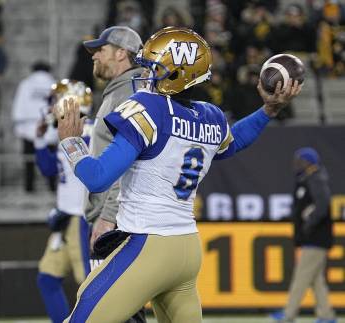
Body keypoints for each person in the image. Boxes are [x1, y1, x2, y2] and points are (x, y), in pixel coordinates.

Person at [56, 26, 302, 323]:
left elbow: (97, 177)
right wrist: (268, 110)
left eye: (154, 67)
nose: (146, 74)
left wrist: (71, 143)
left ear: (175, 73)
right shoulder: (209, 115)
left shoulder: (148, 107)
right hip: (187, 248)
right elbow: (232, 142)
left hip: (149, 245)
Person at [81, 24, 147, 323]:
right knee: (121, 309)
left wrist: (108, 215)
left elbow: (130, 160)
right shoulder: (122, 91)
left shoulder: (129, 95)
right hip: (118, 214)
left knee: (111, 309)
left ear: (122, 53)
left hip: (118, 218)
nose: (95, 56)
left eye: (101, 50)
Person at [35, 80, 92, 323]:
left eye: (57, 99)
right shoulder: (64, 131)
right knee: (47, 279)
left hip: (83, 219)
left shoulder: (91, 130)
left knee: (91, 287)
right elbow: (49, 168)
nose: (51, 105)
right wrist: (39, 141)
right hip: (65, 218)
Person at [270, 148, 336, 323]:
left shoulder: (316, 179)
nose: (297, 164)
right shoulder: (309, 179)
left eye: (300, 160)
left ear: (309, 162)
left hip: (316, 238)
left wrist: (308, 223)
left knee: (301, 277)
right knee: (316, 280)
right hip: (314, 238)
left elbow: (322, 205)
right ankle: (327, 315)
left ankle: (289, 314)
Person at [11, 60, 57, 192]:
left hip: (28, 128)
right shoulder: (54, 84)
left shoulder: (25, 84)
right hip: (49, 128)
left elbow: (18, 107)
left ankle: (29, 188)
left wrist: (19, 127)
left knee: (29, 161)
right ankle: (52, 187)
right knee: (50, 159)